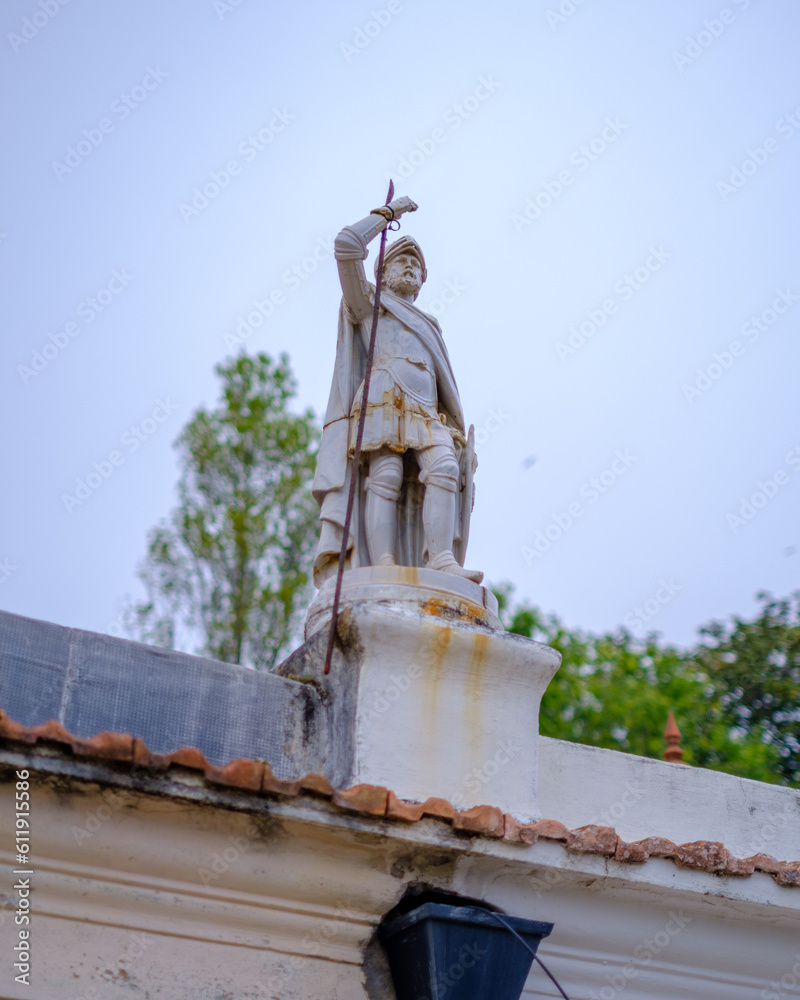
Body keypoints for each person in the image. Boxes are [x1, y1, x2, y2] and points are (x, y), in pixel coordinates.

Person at [312, 196, 482, 588]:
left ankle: (440, 558)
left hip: (426, 408)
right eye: (400, 261)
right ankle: (382, 562)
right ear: (382, 271)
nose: (410, 267)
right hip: (382, 397)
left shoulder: (430, 324)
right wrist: (386, 216)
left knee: (442, 467)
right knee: (385, 475)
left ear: (422, 282)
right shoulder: (368, 303)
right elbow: (346, 246)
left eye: (417, 266)